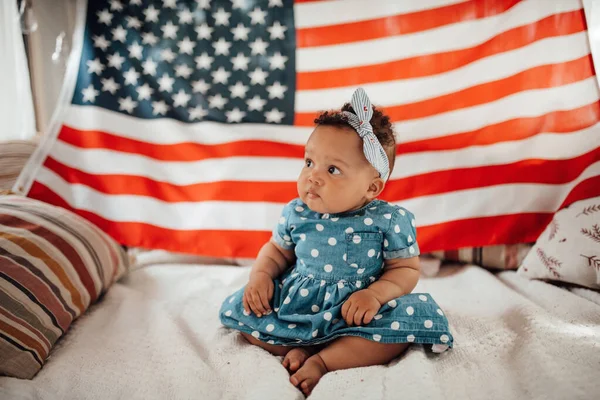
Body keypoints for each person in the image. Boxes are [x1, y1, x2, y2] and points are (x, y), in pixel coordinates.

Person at [220, 88, 453, 396]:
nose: (313, 177)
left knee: (400, 332)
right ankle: (299, 346)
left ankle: (324, 361)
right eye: (309, 162)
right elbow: (276, 251)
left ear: (372, 187)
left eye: (332, 170)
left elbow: (405, 269)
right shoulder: (297, 213)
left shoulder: (389, 220)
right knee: (247, 312)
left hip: (356, 313)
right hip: (299, 307)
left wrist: (374, 295)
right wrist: (261, 276)